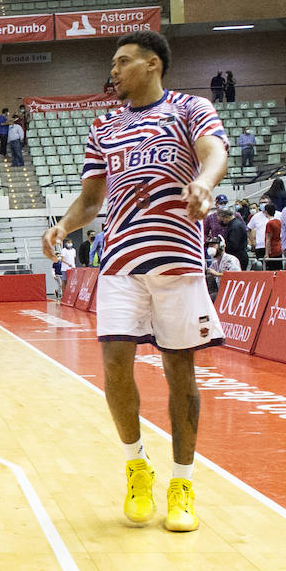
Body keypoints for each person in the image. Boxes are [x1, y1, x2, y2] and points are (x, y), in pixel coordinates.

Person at [41, 30, 229, 535]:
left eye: (122, 61)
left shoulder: (190, 108)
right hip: (120, 263)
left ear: (153, 64)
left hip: (178, 263)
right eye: (113, 63)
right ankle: (137, 466)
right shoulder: (103, 127)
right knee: (115, 367)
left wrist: (204, 183)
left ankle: (183, 482)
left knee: (179, 371)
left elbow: (214, 153)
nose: (114, 70)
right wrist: (63, 223)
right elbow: (90, 200)